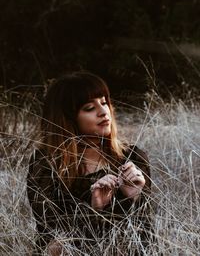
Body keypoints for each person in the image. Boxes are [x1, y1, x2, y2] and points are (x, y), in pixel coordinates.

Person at [27, 72, 152, 256]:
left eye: (104, 102)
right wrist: (95, 210)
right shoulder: (46, 163)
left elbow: (145, 237)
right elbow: (52, 235)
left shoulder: (133, 157)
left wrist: (132, 197)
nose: (103, 112)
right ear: (68, 118)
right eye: (89, 108)